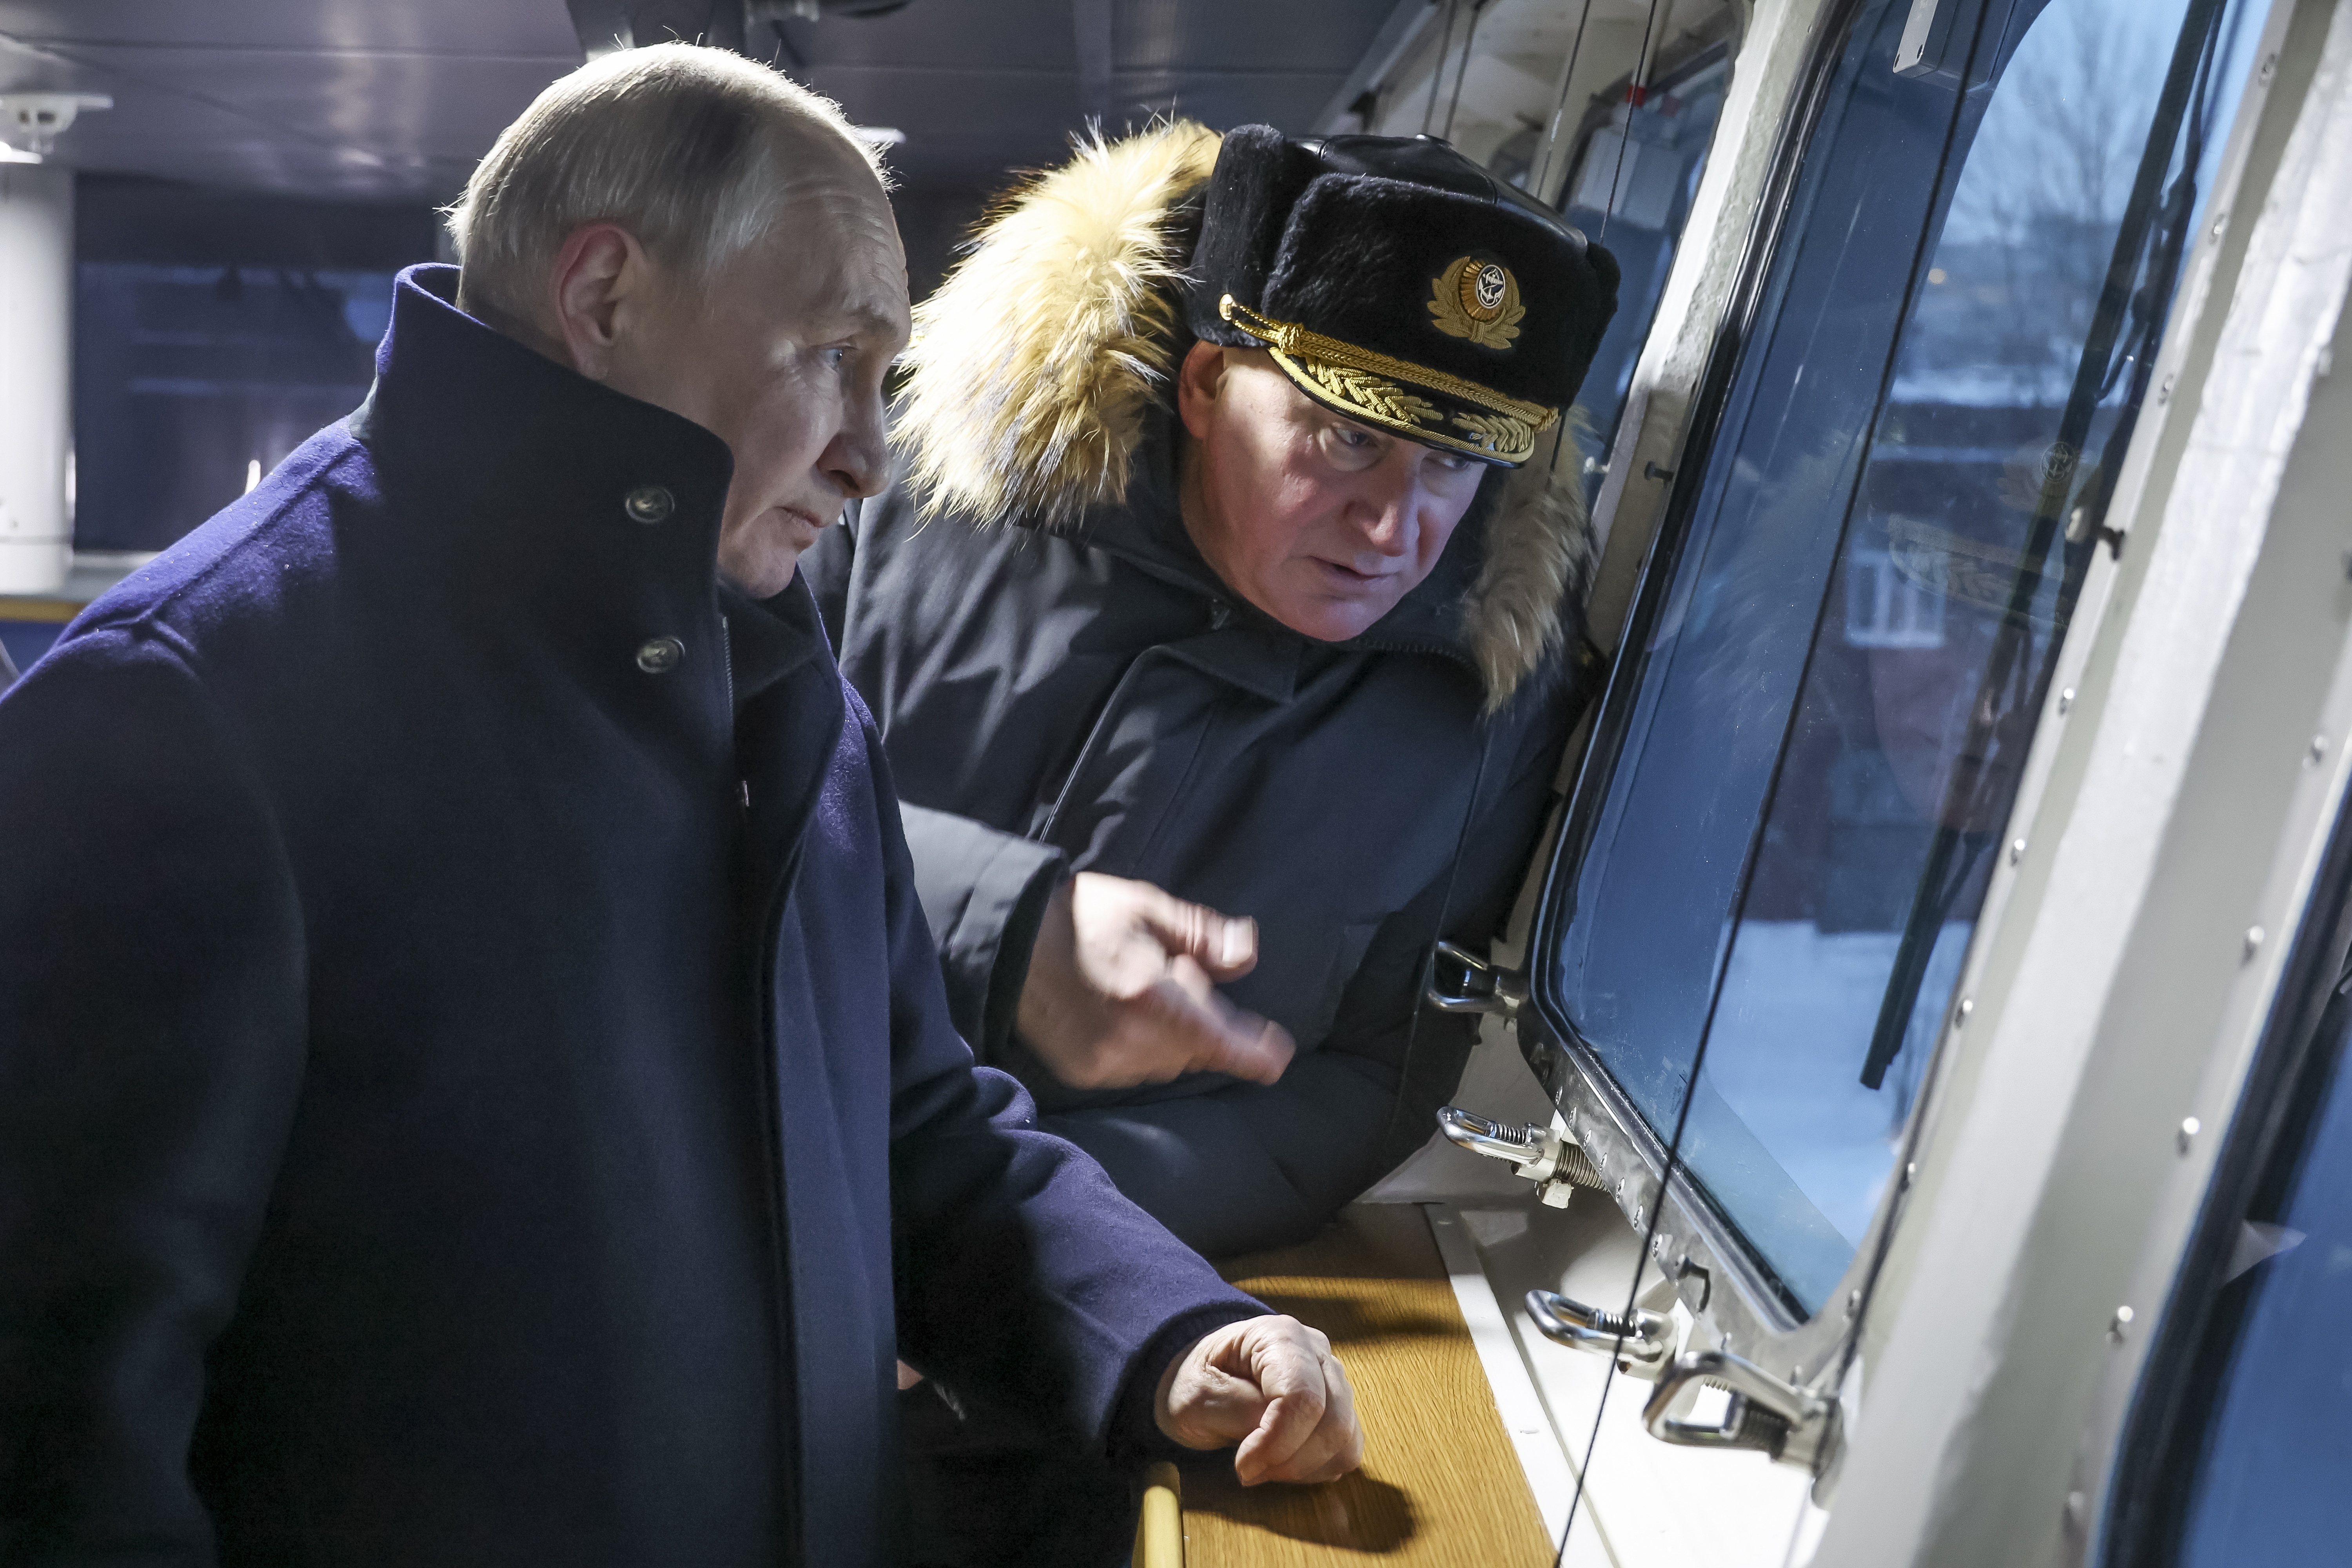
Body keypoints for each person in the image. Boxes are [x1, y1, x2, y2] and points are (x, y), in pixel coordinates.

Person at [0, 47, 1361, 1567]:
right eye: (830, 357)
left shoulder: (778, 682)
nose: (866, 454)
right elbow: (56, 1449)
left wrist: (1167, 1328)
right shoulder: (183, 712)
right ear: (603, 299)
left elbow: (916, 1134)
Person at [806, 123, 1620, 1259]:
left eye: (1452, 464)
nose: (1397, 529)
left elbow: (1371, 1081)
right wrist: (1004, 924)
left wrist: (1021, 1226)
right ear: (1203, 385)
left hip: (1087, 1278)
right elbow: (688, 790)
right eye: (1344, 440)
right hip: (739, 1174)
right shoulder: (897, 500)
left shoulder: (1487, 701)